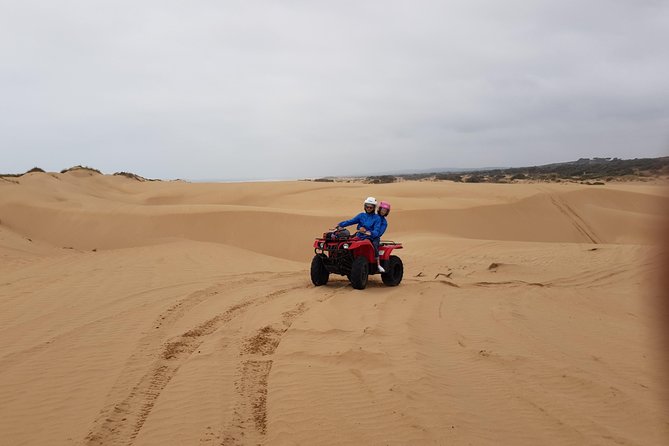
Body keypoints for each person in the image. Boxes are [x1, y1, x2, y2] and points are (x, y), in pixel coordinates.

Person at [370, 201, 391, 272]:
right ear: (379, 209)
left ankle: (378, 264)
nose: (383, 212)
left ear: (387, 212)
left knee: (374, 245)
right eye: (382, 210)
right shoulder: (373, 216)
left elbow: (380, 233)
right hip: (365, 235)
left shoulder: (384, 222)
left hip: (374, 237)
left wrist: (372, 233)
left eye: (385, 211)